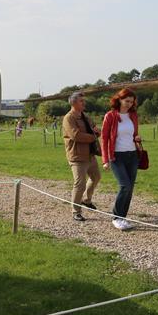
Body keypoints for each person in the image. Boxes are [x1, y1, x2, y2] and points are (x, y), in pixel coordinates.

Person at [101, 88, 142, 231]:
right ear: (119, 99)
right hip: (116, 156)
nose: (129, 104)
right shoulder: (110, 116)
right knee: (125, 186)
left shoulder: (133, 115)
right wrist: (105, 160)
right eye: (127, 101)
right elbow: (104, 138)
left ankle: (123, 218)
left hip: (132, 155)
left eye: (132, 102)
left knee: (130, 188)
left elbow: (134, 133)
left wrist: (136, 138)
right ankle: (116, 217)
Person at [62, 92, 101, 221]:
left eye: (84, 101)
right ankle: (75, 211)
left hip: (89, 154)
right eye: (81, 101)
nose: (84, 103)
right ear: (73, 103)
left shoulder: (86, 116)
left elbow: (95, 128)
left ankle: (86, 200)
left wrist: (97, 131)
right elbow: (76, 135)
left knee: (96, 177)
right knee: (80, 184)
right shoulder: (69, 118)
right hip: (77, 156)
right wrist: (94, 136)